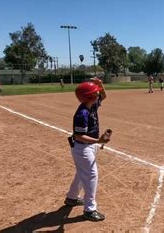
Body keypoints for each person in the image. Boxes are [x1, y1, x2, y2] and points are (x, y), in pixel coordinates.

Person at [65, 77, 110, 221]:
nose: (98, 94)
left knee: (81, 173)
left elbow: (104, 95)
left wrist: (99, 83)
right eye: (95, 92)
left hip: (88, 147)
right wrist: (99, 140)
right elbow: (79, 136)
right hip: (82, 148)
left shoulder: (92, 104)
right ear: (89, 96)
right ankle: (90, 210)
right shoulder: (82, 113)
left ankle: (72, 198)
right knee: (91, 175)